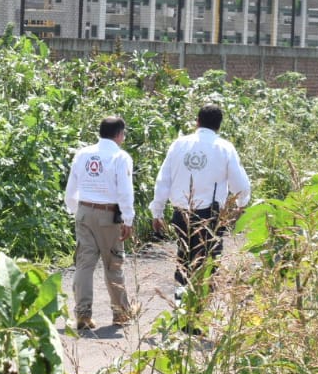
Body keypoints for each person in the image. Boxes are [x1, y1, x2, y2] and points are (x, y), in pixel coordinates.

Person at [149, 104, 251, 331]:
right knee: (206, 266)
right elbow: (241, 186)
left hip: (181, 214)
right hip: (210, 217)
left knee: (184, 263)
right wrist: (241, 207)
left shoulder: (179, 145)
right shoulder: (225, 148)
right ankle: (196, 318)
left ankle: (182, 314)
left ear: (197, 121)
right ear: (219, 125)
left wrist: (157, 211)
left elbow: (163, 180)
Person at [64, 116, 138, 332]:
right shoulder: (120, 157)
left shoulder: (83, 154)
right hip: (108, 214)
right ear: (119, 135)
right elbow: (125, 190)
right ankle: (121, 312)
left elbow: (72, 186)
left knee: (85, 263)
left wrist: (76, 210)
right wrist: (128, 218)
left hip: (84, 210)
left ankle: (83, 315)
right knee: (113, 264)